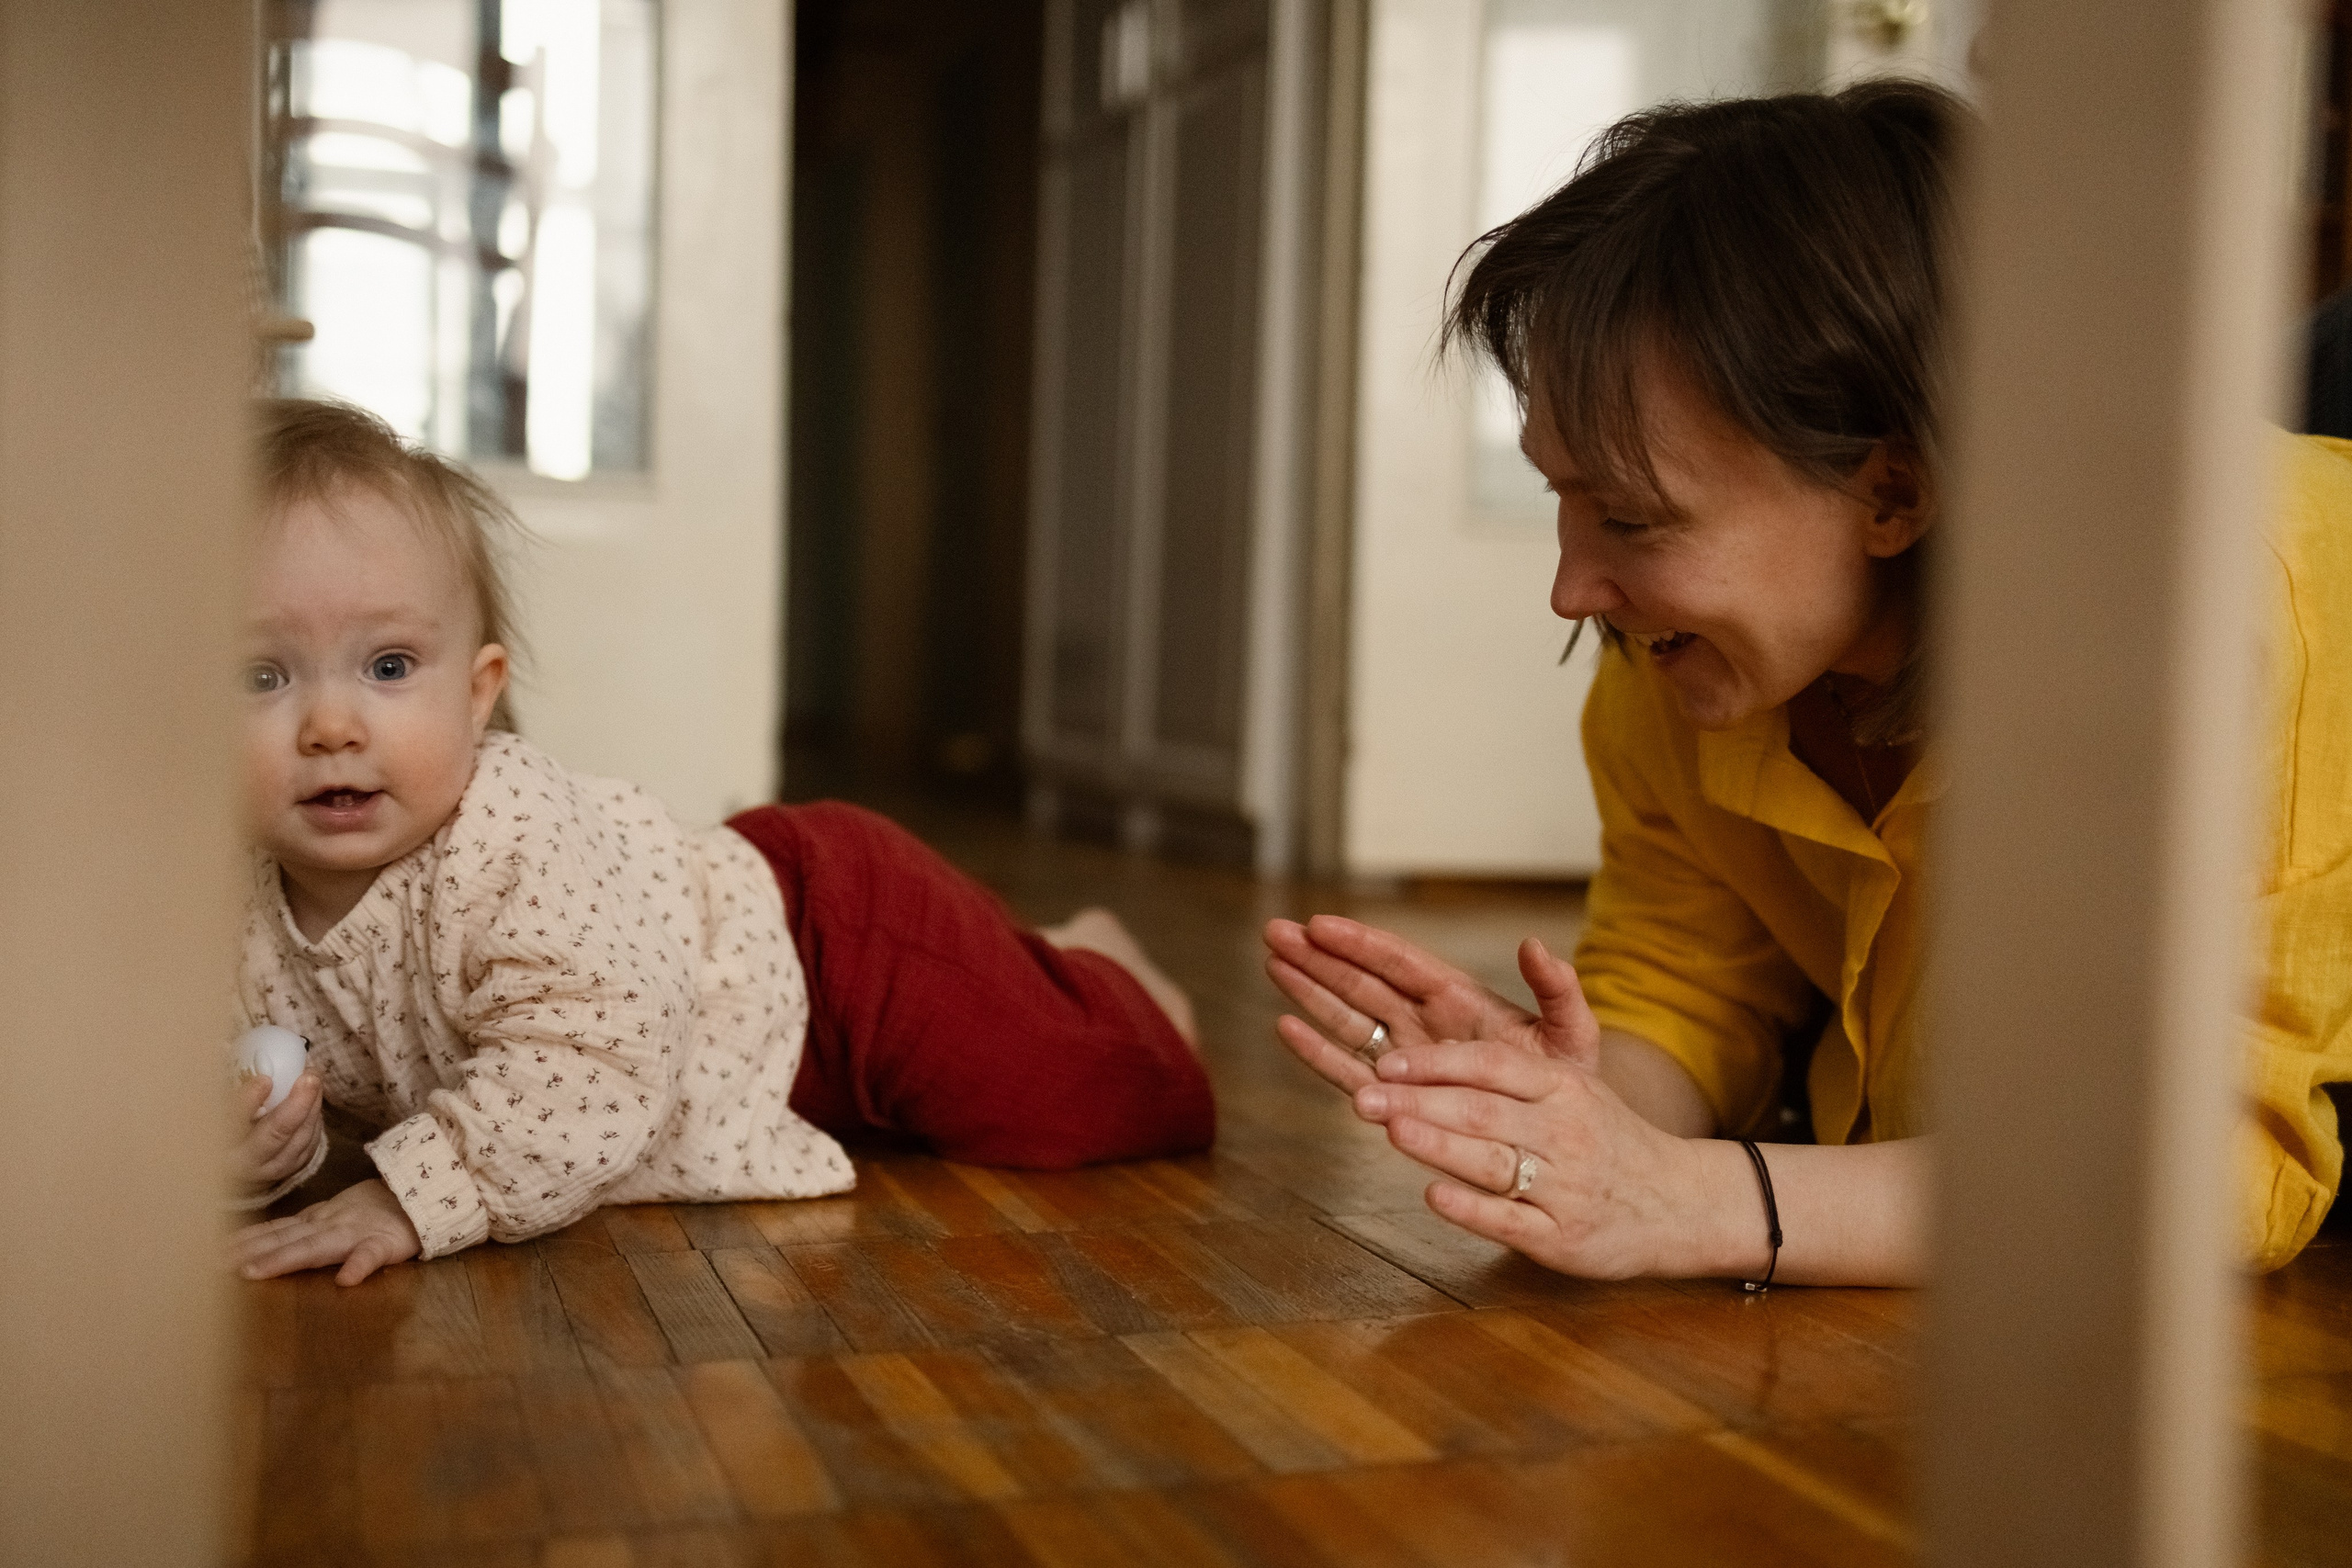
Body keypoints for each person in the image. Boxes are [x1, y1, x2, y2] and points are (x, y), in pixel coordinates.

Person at [1264, 81, 2352, 1285]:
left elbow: (2211, 1164)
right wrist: (1570, 1099)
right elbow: (1689, 975)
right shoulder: (1684, 660)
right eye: (1559, 497)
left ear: (1895, 491)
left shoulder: (2220, 614)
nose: (1573, 589)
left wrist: (1703, 1198)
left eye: (1630, 517)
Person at [228, 399, 1212, 1285]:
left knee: (1072, 1095)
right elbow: (327, 1095)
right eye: (263, 676)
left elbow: (593, 1061)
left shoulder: (506, 831)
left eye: (388, 665)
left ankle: (1105, 968)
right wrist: (273, 1152)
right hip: (708, 959)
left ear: (479, 693)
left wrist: (405, 1199)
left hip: (834, 947)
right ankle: (1033, 955)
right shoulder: (224, 900)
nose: (331, 726)